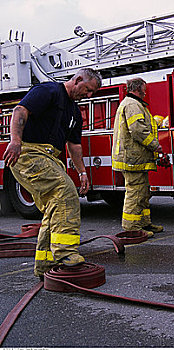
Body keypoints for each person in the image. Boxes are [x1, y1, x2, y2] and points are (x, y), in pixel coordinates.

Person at [2, 68, 102, 278]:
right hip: (29, 153)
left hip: (49, 157)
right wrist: (15, 141)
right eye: (88, 89)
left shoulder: (74, 112)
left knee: (54, 206)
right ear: (77, 79)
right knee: (65, 193)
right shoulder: (48, 91)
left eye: (92, 92)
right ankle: (65, 254)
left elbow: (74, 146)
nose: (89, 95)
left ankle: (45, 263)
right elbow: (20, 111)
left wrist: (83, 173)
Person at [112, 78, 163, 237]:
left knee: (143, 192)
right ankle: (132, 229)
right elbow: (138, 131)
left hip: (136, 158)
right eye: (143, 89)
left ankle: (144, 223)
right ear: (137, 89)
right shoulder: (132, 105)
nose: (145, 92)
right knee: (135, 193)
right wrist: (156, 145)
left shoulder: (134, 104)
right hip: (132, 158)